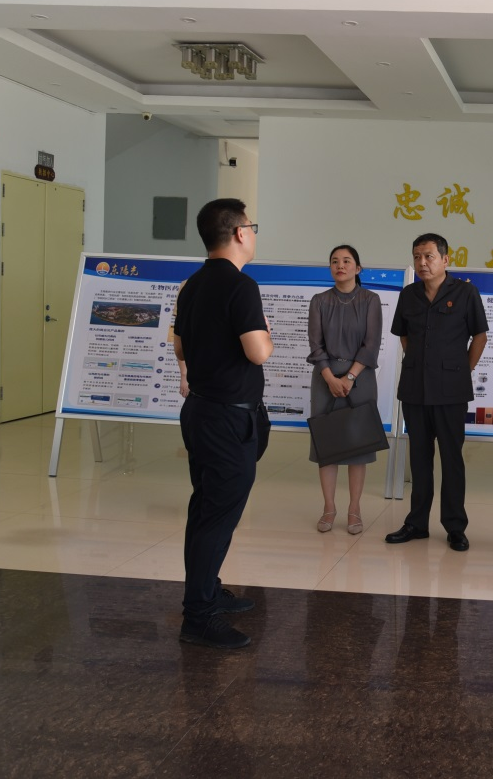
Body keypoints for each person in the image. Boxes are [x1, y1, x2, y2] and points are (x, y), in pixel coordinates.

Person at [173, 198, 273, 650]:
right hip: (228, 420)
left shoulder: (192, 284)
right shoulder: (240, 286)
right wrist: (266, 331)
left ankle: (207, 591)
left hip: (200, 411)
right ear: (238, 233)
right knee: (216, 517)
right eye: (251, 226)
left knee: (205, 509)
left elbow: (179, 347)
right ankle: (199, 617)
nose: (253, 233)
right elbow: (258, 352)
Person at [386, 233, 489, 551]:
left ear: (445, 259)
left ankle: (455, 526)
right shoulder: (409, 294)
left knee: (451, 459)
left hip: (451, 391)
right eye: (417, 256)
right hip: (415, 389)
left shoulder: (466, 292)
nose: (422, 262)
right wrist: (420, 362)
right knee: (419, 458)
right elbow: (404, 336)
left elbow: (480, 336)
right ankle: (416, 523)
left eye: (429, 256)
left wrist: (462, 370)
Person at [307, 244, 383, 535]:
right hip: (325, 378)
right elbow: (316, 345)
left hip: (360, 379)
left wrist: (350, 377)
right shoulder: (319, 301)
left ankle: (354, 508)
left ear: (358, 268)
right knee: (327, 444)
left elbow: (371, 344)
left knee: (357, 444)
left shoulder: (370, 299)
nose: (340, 265)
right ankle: (329, 507)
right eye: (335, 261)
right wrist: (329, 377)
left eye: (347, 261)